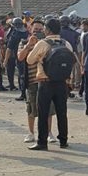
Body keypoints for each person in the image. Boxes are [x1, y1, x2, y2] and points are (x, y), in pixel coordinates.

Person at [26, 17, 73, 151]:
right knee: (62, 112)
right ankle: (63, 140)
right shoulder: (66, 43)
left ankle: (42, 142)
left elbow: (29, 60)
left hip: (45, 82)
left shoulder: (43, 43)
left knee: (43, 113)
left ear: (47, 30)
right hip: (62, 83)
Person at [3, 17, 26, 94]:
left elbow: (9, 49)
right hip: (26, 55)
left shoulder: (14, 34)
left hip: (17, 55)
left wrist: (5, 60)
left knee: (21, 74)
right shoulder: (26, 32)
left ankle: (22, 93)